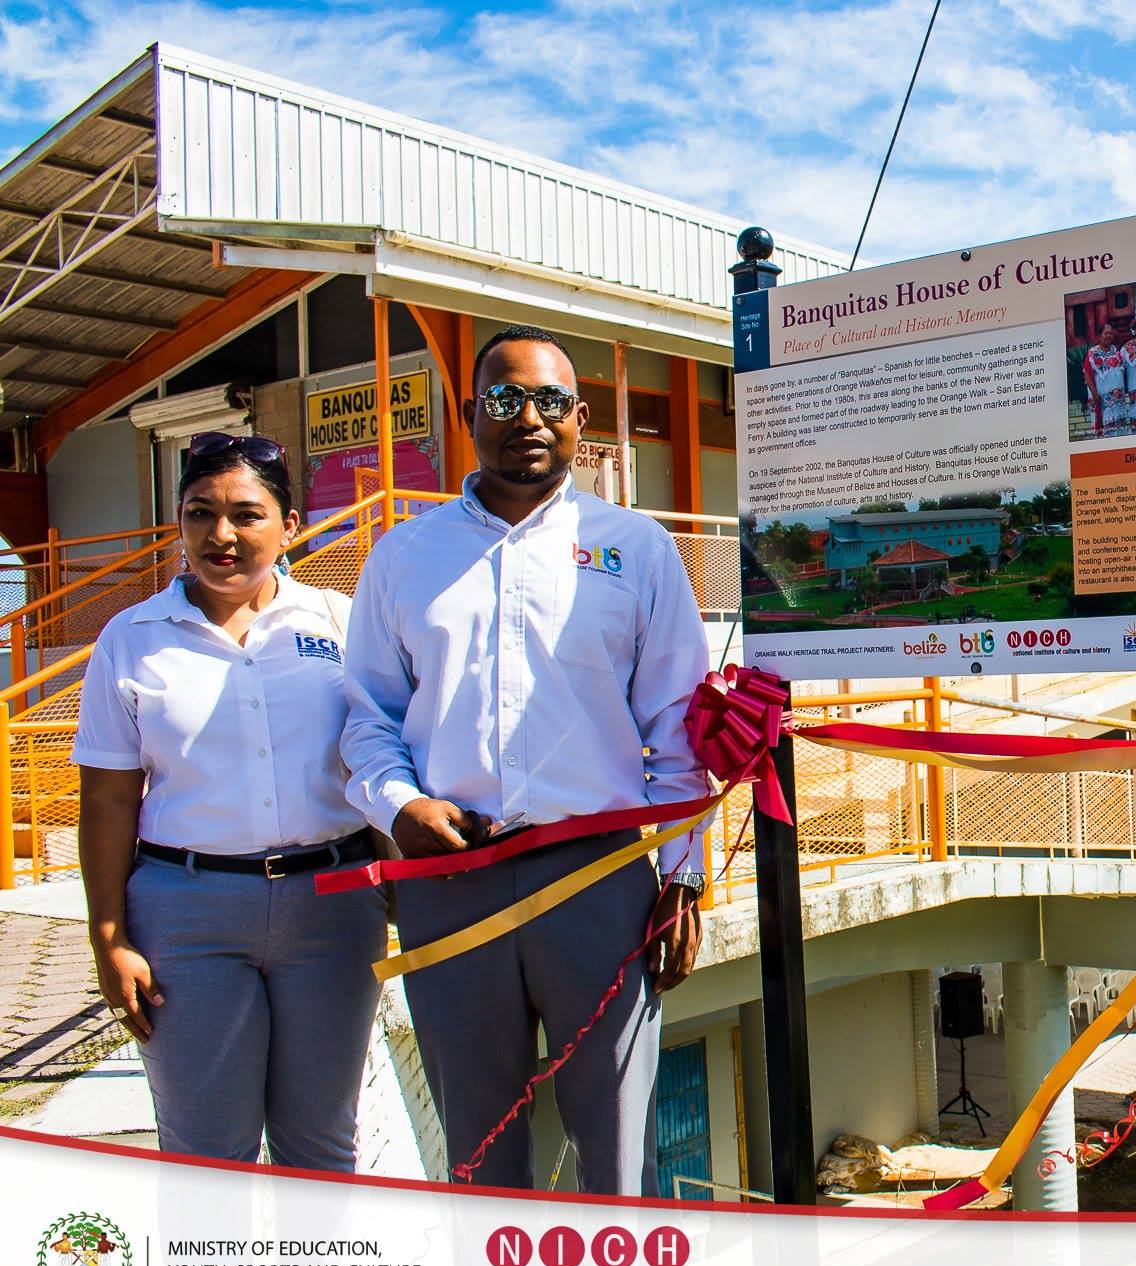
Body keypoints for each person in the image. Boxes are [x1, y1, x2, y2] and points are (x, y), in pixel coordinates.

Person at [341, 324, 711, 1195]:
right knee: (479, 1153)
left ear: (582, 419)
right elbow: (365, 719)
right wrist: (398, 805)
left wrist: (684, 874)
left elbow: (679, 723)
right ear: (471, 414)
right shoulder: (404, 558)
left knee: (616, 1153)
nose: (529, 418)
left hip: (603, 880)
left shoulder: (637, 549)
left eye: (550, 400)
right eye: (505, 400)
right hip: (451, 882)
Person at [73, 435, 384, 1169]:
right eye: (200, 512)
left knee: (321, 1144)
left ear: (290, 525)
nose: (221, 534)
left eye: (247, 514)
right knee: (206, 1152)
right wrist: (107, 937)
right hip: (187, 915)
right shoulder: (132, 640)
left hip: (333, 909)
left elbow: (379, 762)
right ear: (178, 523)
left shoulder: (339, 625)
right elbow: (110, 801)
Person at [1083, 323, 1127, 438]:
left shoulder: (1115, 350)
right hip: (1103, 399)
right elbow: (1086, 373)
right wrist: (1094, 394)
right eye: (1106, 333)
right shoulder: (1093, 353)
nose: (1108, 336)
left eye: (1110, 334)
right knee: (1106, 432)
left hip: (1118, 399)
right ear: (1099, 336)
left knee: (1118, 430)